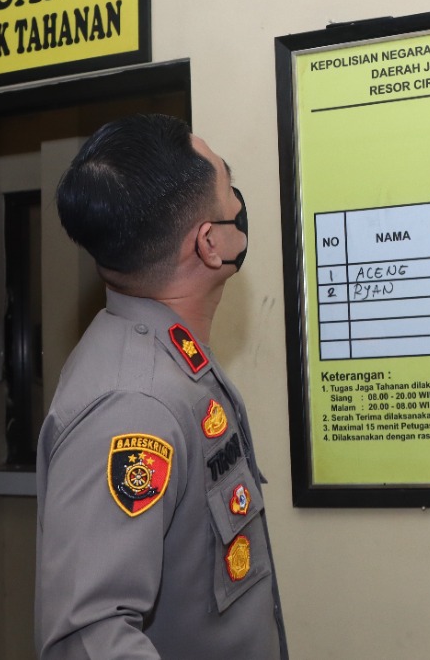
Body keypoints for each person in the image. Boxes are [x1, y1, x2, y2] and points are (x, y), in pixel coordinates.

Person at [35, 114, 287, 659]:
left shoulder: (176, 361)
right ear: (209, 244)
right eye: (229, 186)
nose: (239, 201)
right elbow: (89, 637)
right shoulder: (135, 403)